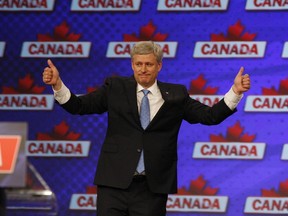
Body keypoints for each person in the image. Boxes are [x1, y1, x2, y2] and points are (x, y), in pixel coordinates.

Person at [42, 41, 250, 216]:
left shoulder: (176, 95)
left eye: (149, 64)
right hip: (114, 184)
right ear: (132, 65)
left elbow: (210, 116)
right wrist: (58, 85)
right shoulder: (115, 87)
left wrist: (235, 91)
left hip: (152, 188)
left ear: (159, 66)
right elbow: (80, 106)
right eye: (139, 64)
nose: (143, 69)